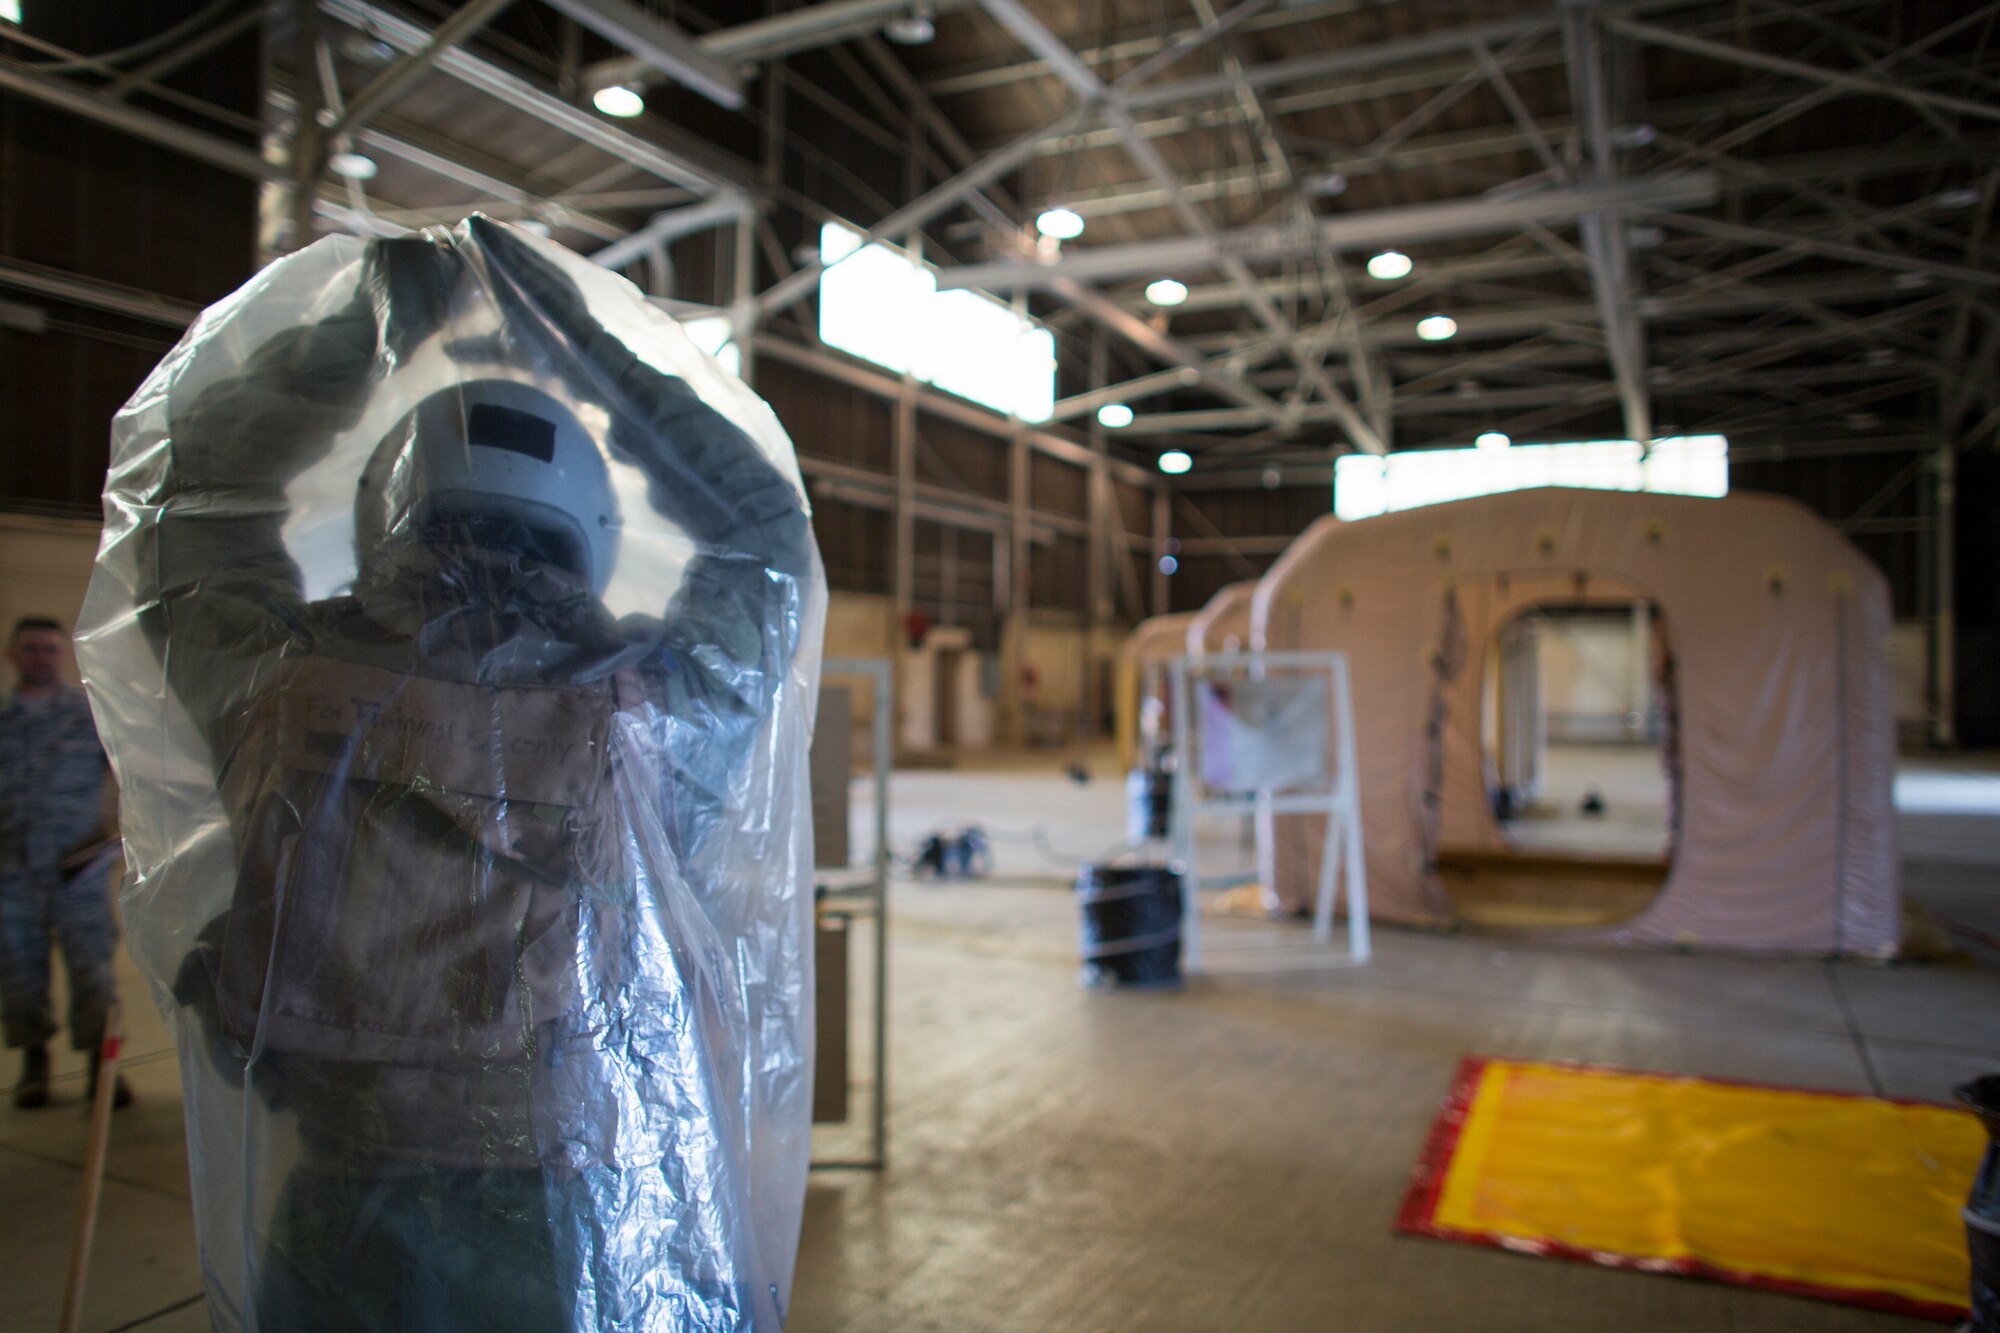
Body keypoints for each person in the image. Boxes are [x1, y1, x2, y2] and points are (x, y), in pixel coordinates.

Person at [88, 220, 821, 1330]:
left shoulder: (279, 685)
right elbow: (762, 529)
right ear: (592, 523)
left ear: (393, 495)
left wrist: (375, 319)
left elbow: (189, 488)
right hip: (587, 1235)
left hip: (341, 1232)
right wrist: (580, 337)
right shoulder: (657, 716)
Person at [0, 615, 129, 1110]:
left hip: (78, 871)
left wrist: (112, 845)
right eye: (30, 648)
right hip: (12, 874)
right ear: (13, 655)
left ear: (63, 656)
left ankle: (104, 1068)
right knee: (19, 978)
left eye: (50, 649)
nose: (41, 657)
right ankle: (35, 1064)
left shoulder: (89, 716)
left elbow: (131, 783)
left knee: (93, 973)